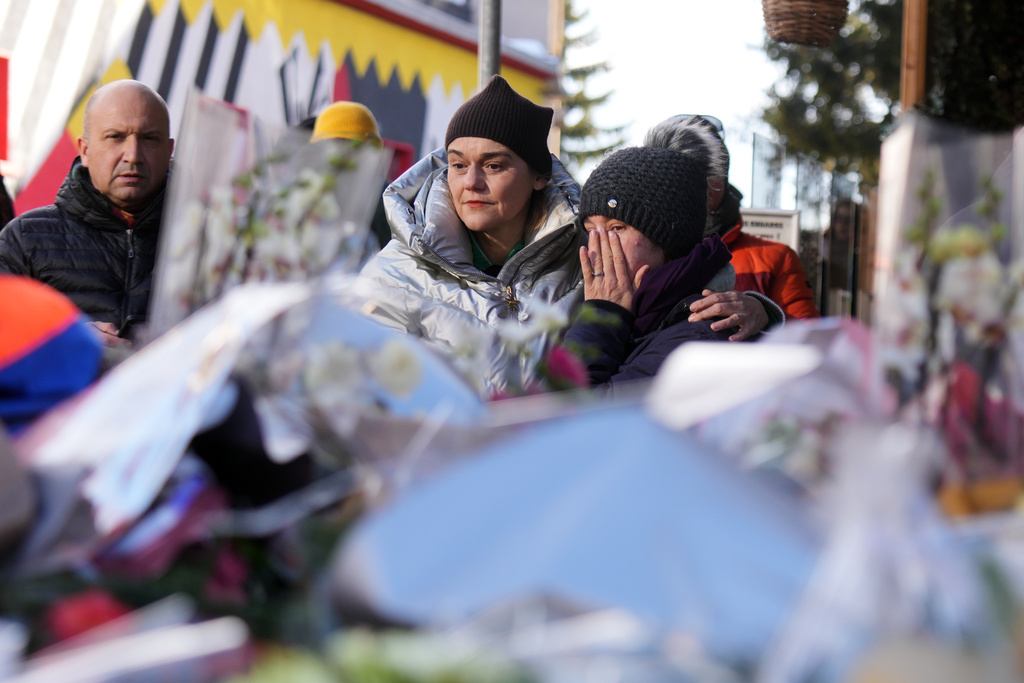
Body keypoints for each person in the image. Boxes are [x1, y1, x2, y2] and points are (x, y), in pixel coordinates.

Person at [0, 79, 174, 346]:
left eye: (149, 138)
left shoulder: (207, 243)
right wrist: (67, 339)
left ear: (169, 150)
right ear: (85, 150)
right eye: (115, 137)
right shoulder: (23, 239)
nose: (133, 155)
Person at [562, 146, 742, 389]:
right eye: (590, 230)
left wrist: (601, 316)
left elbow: (570, 408)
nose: (597, 245)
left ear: (668, 241)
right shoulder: (632, 315)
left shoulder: (696, 341)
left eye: (617, 228)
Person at [644, 115, 820, 320]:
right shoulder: (632, 250)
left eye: (707, 171)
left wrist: (766, 317)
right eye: (679, 173)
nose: (694, 184)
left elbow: (809, 334)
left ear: (723, 178)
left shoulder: (776, 258)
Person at [310, 100, 392, 251]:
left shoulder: (386, 202)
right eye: (336, 142)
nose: (342, 152)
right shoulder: (308, 192)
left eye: (348, 143)